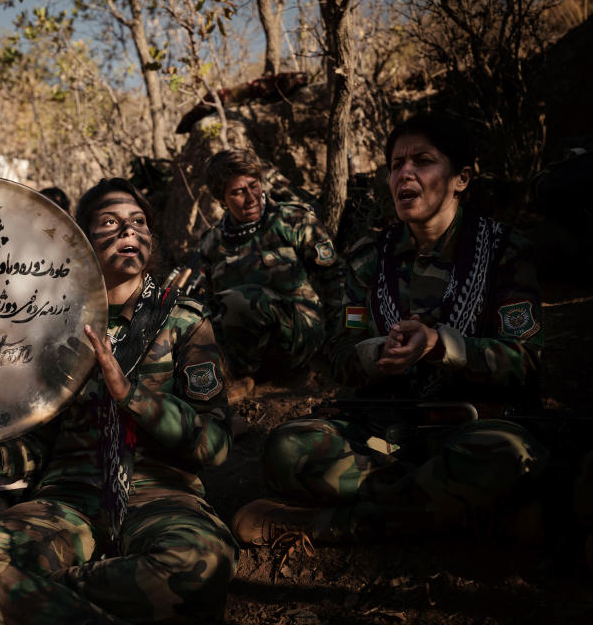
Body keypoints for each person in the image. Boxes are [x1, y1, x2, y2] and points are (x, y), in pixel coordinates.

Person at [0, 178, 238, 624]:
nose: (128, 232)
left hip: (159, 496)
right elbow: (37, 446)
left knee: (201, 563)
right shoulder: (50, 328)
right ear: (83, 242)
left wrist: (131, 397)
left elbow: (215, 444)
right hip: (68, 501)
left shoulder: (184, 319)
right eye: (110, 223)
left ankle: (24, 593)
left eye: (138, 222)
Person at [233, 113, 546, 545]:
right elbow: (341, 352)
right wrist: (375, 355)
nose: (406, 174)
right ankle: (448, 505)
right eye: (397, 164)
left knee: (502, 456)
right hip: (384, 443)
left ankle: (332, 527)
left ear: (461, 178)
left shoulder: (503, 251)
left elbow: (525, 362)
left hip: (470, 429)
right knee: (288, 448)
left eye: (422, 161)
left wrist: (442, 347)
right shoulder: (368, 258)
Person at [196, 148, 344, 381]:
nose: (251, 197)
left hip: (301, 335)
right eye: (238, 192)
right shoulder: (211, 243)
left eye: (254, 185)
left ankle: (267, 374)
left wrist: (339, 344)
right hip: (243, 350)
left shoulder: (295, 220)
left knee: (238, 301)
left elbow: (335, 279)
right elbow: (209, 305)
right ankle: (239, 377)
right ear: (221, 199)